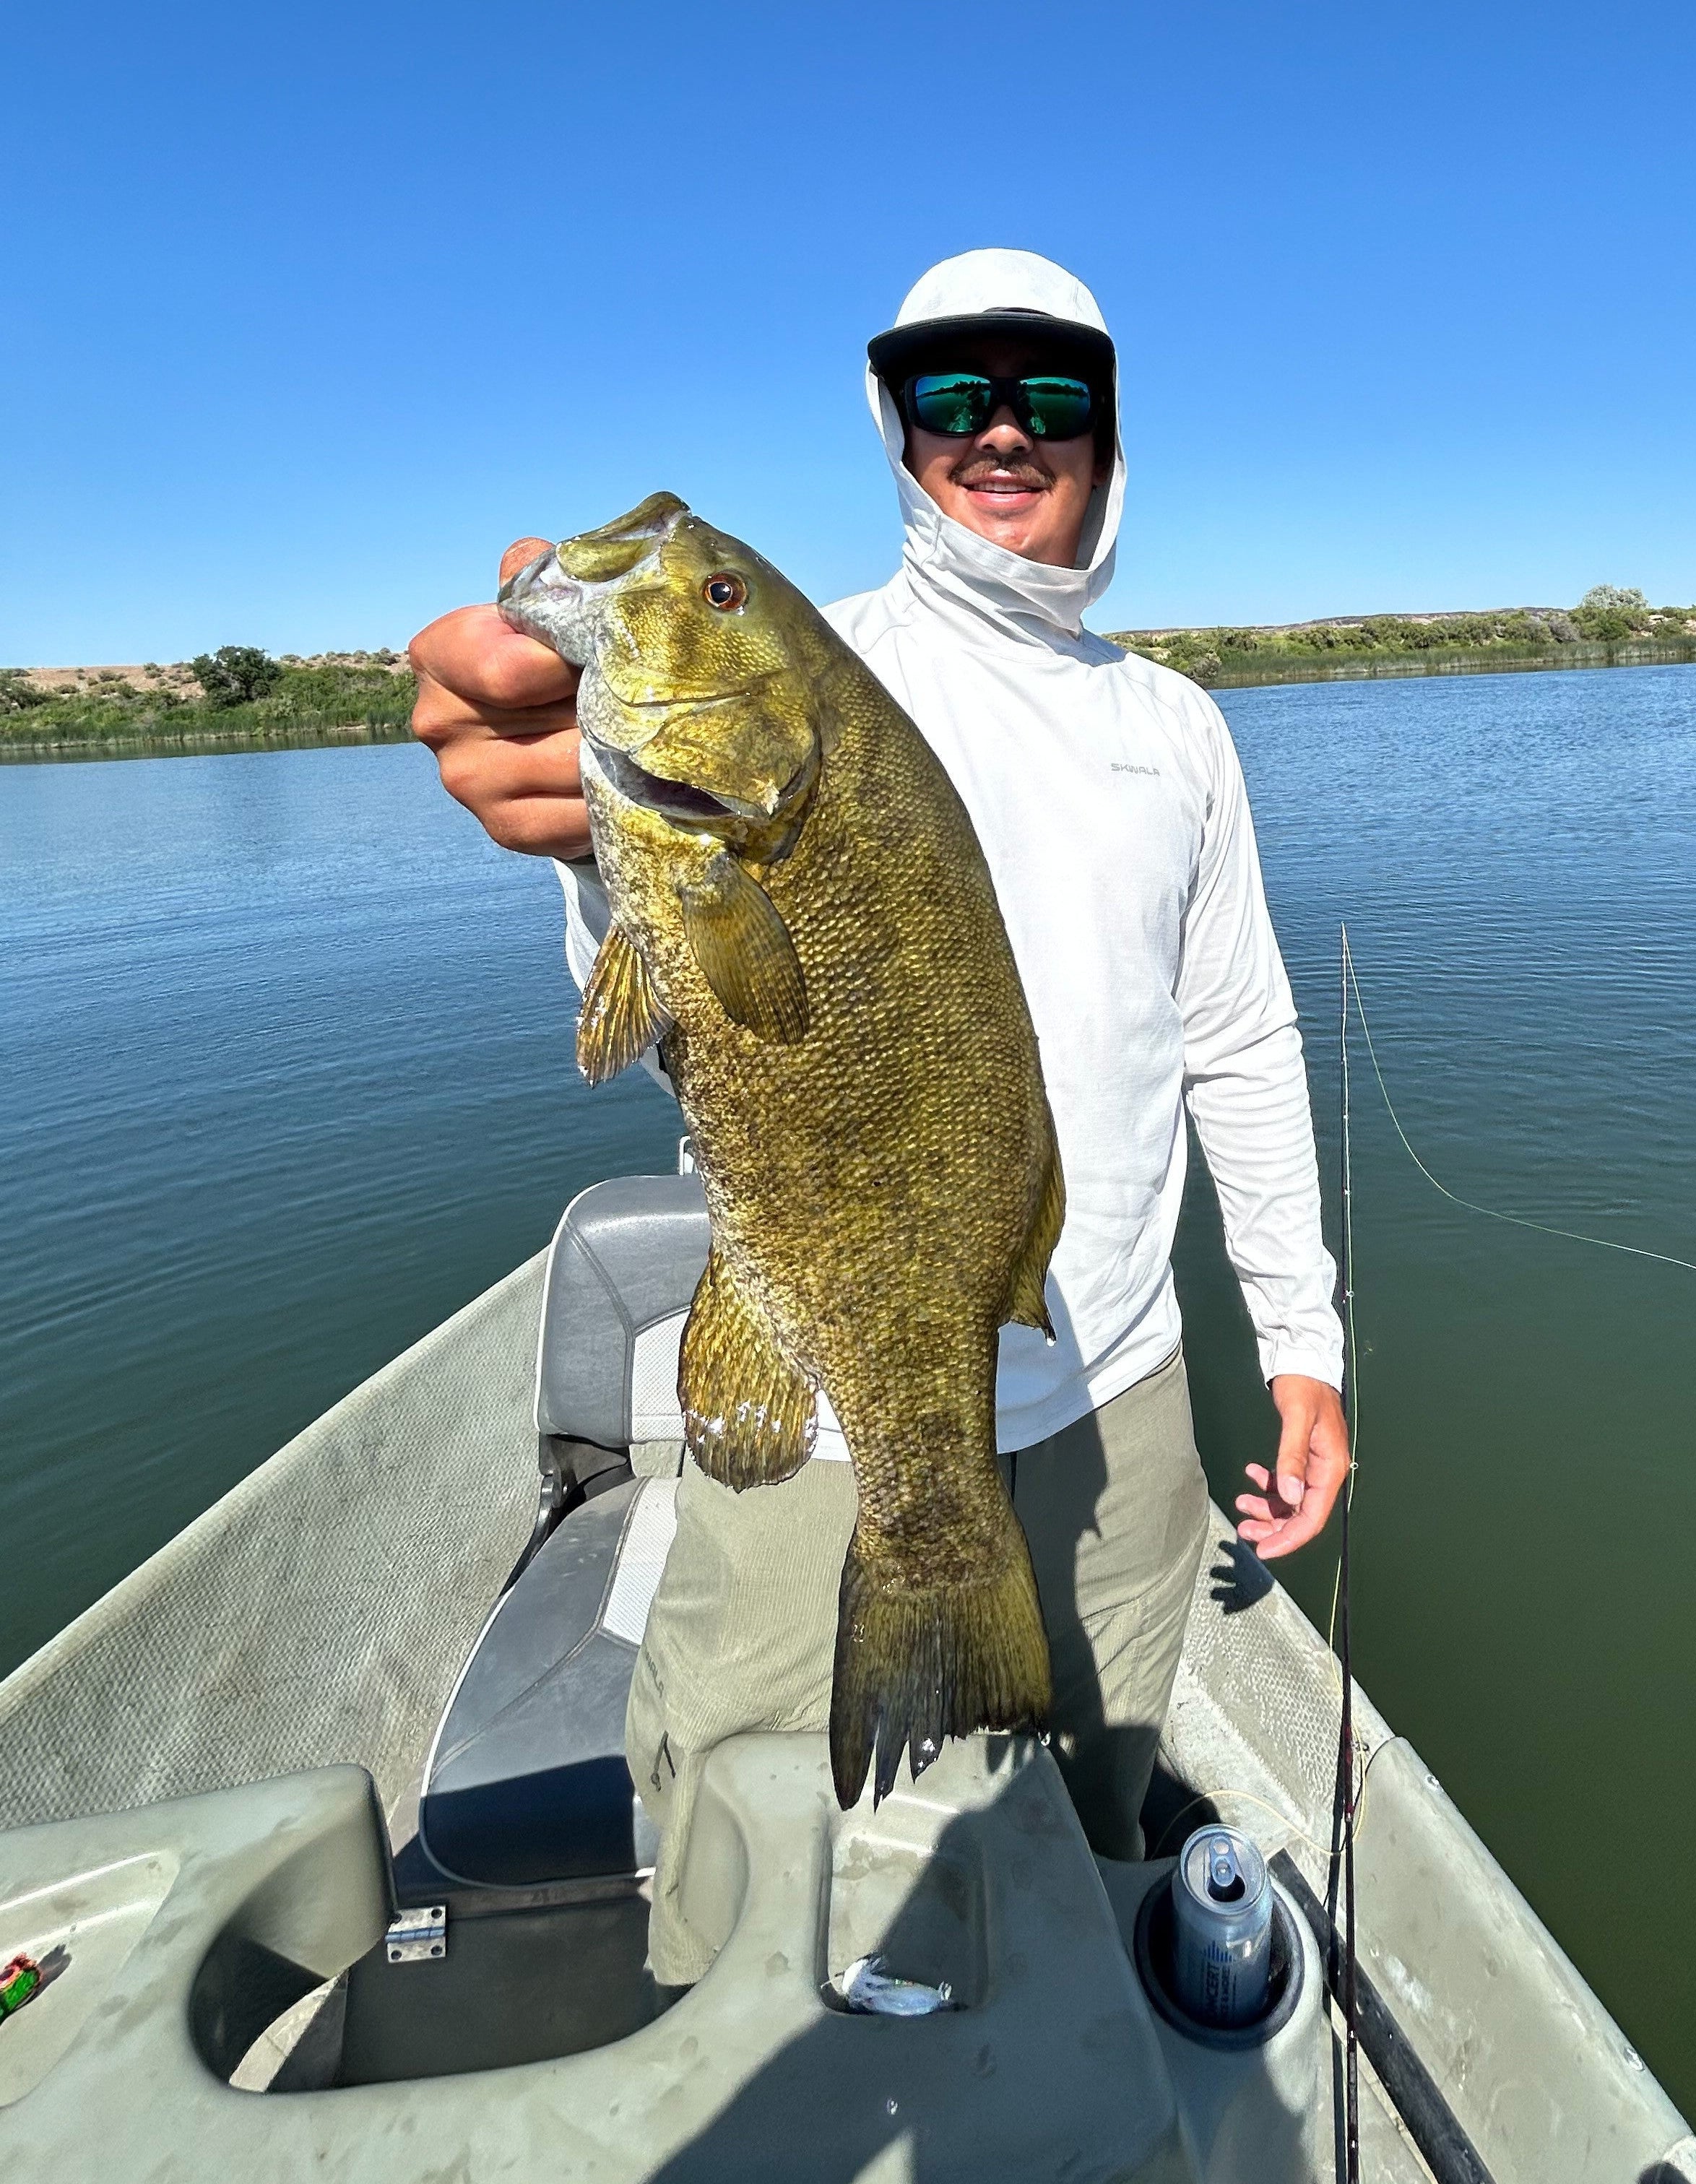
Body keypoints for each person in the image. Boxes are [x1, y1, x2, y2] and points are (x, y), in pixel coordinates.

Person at [412, 248, 1349, 1981]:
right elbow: (658, 953)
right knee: (747, 1883)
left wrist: (1303, 1343)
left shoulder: (1177, 727)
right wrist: (573, 819)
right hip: (830, 1412)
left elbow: (1241, 1036)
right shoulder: (829, 673)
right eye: (952, 393)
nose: (1003, 428)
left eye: (1050, 394)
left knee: (1084, 1822)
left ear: (1110, 431)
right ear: (896, 428)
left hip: (1118, 1386)